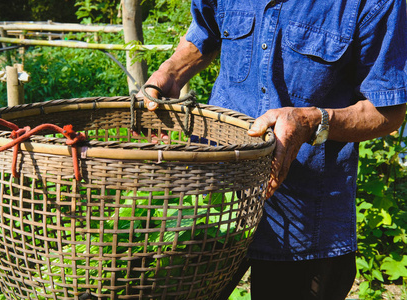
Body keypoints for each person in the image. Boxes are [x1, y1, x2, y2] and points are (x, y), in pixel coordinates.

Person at [140, 0, 407, 299]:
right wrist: (169, 74)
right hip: (217, 200)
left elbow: (388, 112)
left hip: (305, 216)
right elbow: (204, 32)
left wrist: (310, 121)